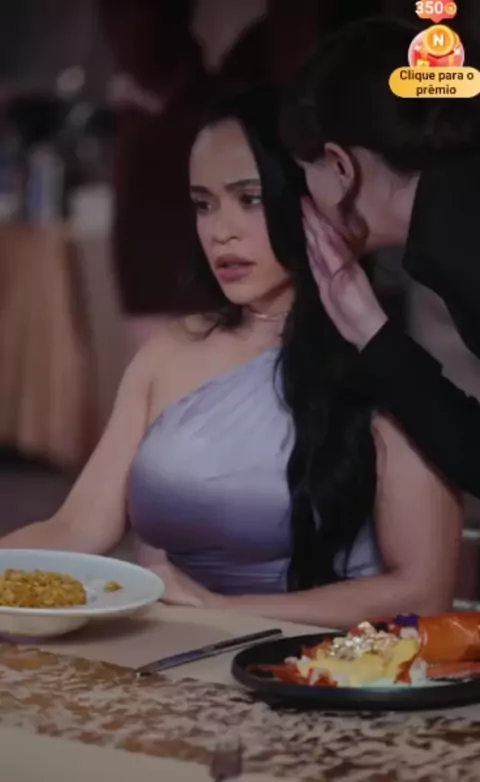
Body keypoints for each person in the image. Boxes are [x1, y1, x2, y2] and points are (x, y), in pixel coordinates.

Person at [0, 89, 462, 627]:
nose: (221, 231)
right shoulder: (171, 352)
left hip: (325, 663)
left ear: (310, 195)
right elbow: (77, 528)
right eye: (204, 204)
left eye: (250, 199)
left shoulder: (386, 365)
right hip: (169, 653)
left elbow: (424, 591)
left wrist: (226, 612)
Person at [282, 16, 480, 497]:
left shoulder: (462, 241)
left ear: (340, 166)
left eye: (305, 173)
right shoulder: (452, 214)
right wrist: (371, 328)